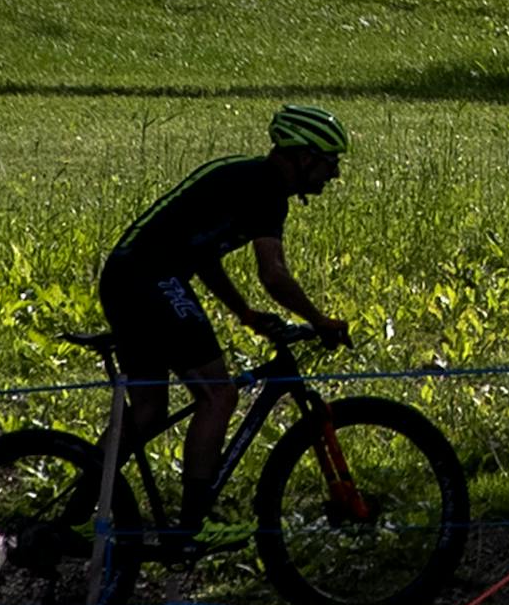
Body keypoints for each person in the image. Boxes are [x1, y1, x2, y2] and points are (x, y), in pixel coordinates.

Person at [98, 103, 354, 545]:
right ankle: (194, 524)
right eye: (330, 163)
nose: (333, 175)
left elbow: (204, 256)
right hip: (150, 278)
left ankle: (85, 511)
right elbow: (273, 275)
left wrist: (245, 314)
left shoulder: (248, 178)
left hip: (129, 277)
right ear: (304, 156)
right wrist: (321, 321)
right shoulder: (267, 190)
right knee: (218, 394)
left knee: (149, 411)